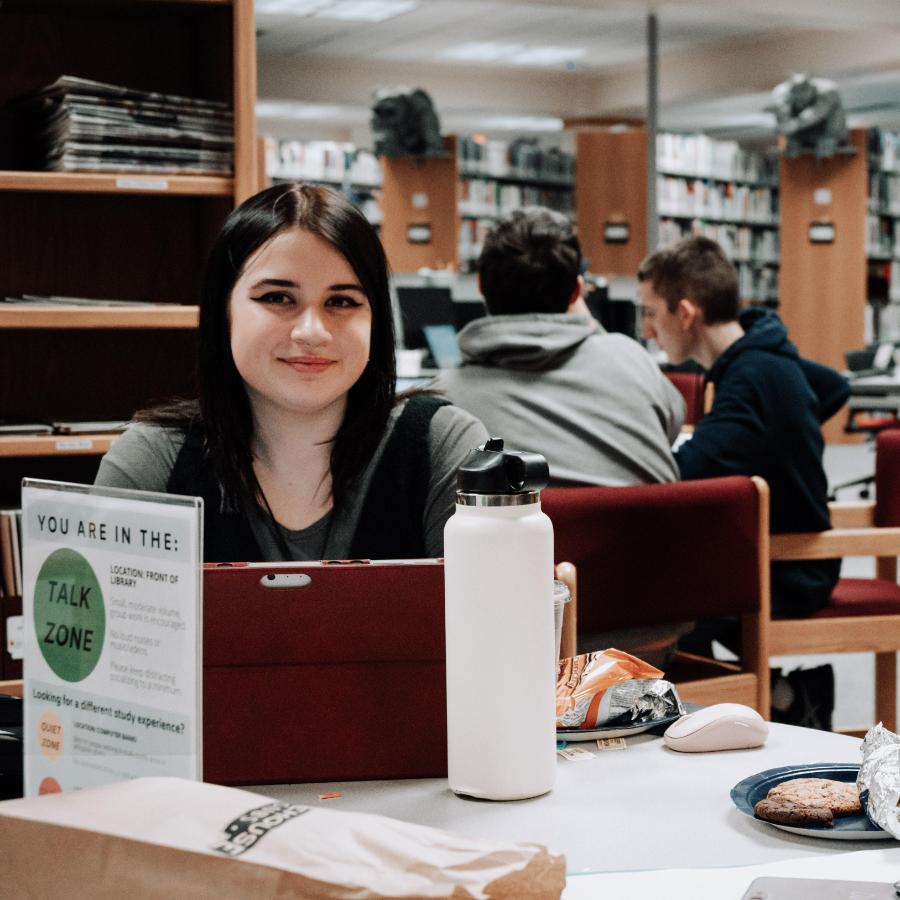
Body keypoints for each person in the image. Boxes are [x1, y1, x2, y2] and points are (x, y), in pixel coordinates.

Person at [95, 182, 487, 561]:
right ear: (223, 312)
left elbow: (490, 619)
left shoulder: (442, 445)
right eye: (277, 297)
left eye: (342, 301)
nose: (312, 332)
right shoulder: (152, 462)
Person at [638, 235, 850, 729]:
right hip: (781, 553)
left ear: (686, 312)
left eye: (651, 313)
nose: (648, 330)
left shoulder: (752, 377)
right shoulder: (761, 353)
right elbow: (833, 386)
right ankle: (777, 699)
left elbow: (683, 476)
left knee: (665, 595)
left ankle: (716, 717)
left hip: (792, 569)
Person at [434, 207, 685, 487]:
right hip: (652, 531)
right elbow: (671, 429)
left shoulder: (439, 403)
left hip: (524, 532)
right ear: (577, 292)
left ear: (480, 285)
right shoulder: (633, 359)